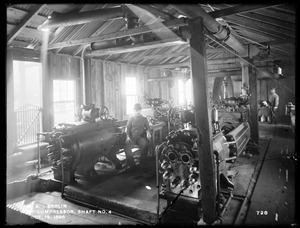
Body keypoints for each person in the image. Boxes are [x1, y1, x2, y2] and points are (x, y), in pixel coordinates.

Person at [124, 103, 151, 169]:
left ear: (140, 110)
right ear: (134, 111)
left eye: (138, 110)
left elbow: (148, 128)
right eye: (136, 110)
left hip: (140, 138)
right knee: (126, 147)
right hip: (132, 138)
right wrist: (128, 137)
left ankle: (142, 163)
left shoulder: (144, 119)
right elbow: (128, 129)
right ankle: (132, 165)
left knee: (145, 146)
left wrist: (148, 133)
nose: (137, 112)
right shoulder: (131, 119)